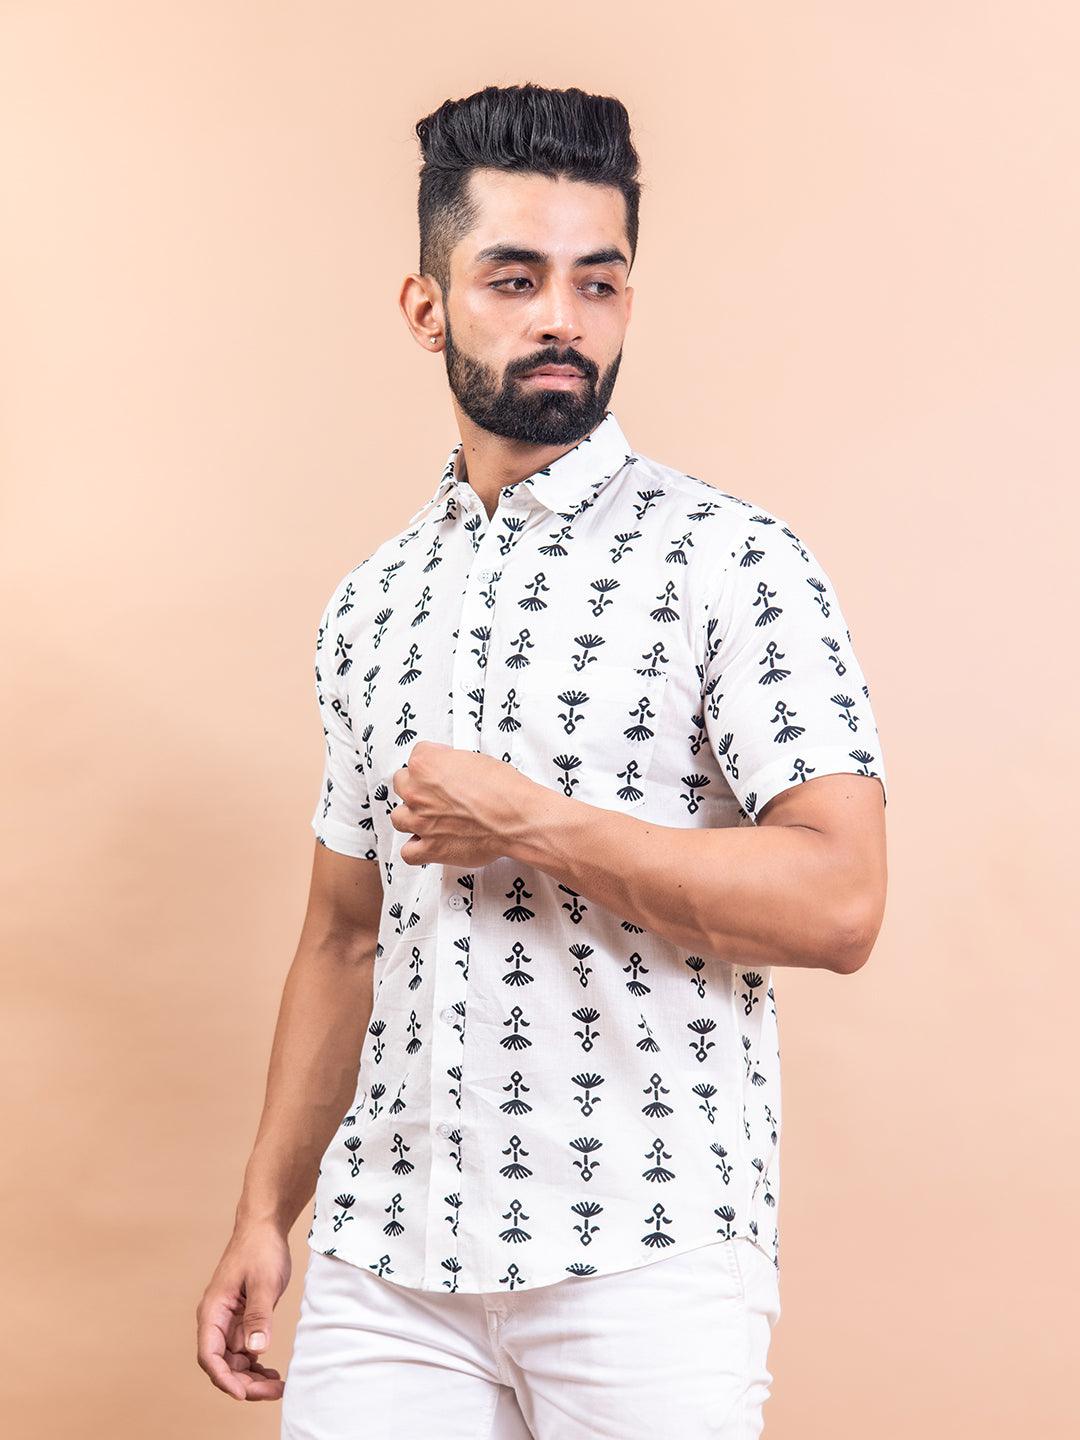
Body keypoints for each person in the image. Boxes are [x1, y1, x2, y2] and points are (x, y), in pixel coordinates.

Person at [195, 82, 888, 1439]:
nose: (563, 317)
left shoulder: (733, 562)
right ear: (427, 306)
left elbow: (842, 901)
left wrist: (533, 824)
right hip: (386, 1260)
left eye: (598, 281)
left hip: (646, 1244)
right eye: (515, 279)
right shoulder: (372, 602)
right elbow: (343, 935)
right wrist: (265, 1213)